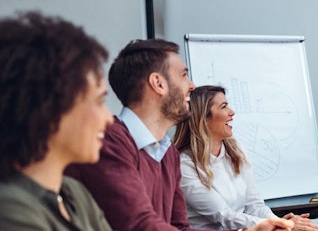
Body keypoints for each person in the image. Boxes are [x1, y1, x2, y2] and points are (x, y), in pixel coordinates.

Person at [65, 39, 293, 231]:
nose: (192, 86)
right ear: (158, 83)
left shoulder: (167, 154)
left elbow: (180, 227)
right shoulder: (108, 143)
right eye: (184, 75)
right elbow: (139, 224)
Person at [0, 11, 114, 230]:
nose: (109, 119)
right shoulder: (9, 208)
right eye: (99, 102)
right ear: (50, 107)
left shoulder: (74, 194)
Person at [174, 86, 318, 230]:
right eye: (224, 107)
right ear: (203, 118)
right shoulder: (184, 166)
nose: (232, 112)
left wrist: (278, 222)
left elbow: (254, 205)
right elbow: (224, 215)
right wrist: (281, 225)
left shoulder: (237, 151)